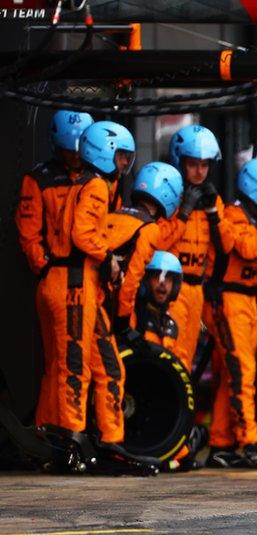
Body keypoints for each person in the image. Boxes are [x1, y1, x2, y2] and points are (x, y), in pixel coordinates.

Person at [205, 157, 257, 468]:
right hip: (228, 302)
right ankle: (249, 441)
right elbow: (248, 250)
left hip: (249, 304)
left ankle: (221, 441)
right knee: (242, 373)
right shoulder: (232, 217)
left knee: (235, 373)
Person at [15, 110, 93, 427]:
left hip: (81, 276)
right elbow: (28, 230)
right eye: (68, 150)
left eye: (78, 150)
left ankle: (45, 433)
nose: (73, 157)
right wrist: (44, 266)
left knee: (60, 363)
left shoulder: (95, 177)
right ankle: (66, 433)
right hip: (61, 278)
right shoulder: (39, 177)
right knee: (68, 363)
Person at [67, 120, 136, 450]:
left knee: (101, 364)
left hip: (83, 283)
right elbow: (82, 234)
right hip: (77, 283)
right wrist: (108, 256)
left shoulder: (94, 184)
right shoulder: (95, 186)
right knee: (75, 363)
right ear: (104, 152)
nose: (125, 163)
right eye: (121, 156)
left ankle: (102, 438)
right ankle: (71, 436)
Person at [105, 162, 184, 351]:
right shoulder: (149, 228)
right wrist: (123, 323)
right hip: (111, 306)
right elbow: (132, 278)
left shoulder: (114, 214)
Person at [164, 125, 225, 371]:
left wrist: (212, 213)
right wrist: (184, 212)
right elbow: (159, 240)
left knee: (187, 359)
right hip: (169, 287)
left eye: (204, 165)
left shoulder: (213, 199)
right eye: (192, 164)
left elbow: (224, 246)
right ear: (180, 162)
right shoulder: (168, 193)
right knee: (170, 353)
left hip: (196, 289)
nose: (199, 171)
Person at [134, 251, 184, 353]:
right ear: (147, 281)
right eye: (158, 277)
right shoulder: (134, 317)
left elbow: (180, 364)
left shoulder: (172, 324)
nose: (163, 284)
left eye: (168, 279)